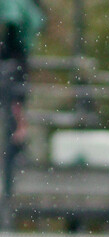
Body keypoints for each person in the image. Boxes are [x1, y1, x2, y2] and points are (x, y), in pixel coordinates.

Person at [0, 0, 45, 147]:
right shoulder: (29, 7)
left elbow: (12, 23)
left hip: (14, 55)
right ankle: (19, 130)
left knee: (15, 99)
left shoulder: (16, 4)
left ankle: (18, 131)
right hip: (20, 56)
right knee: (17, 98)